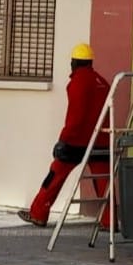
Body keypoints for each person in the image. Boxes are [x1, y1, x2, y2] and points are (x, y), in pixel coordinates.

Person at [19, 43, 111, 227]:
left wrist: (64, 140)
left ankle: (38, 213)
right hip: (101, 141)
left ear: (75, 62)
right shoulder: (102, 82)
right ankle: (110, 222)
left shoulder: (78, 82)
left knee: (55, 176)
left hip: (77, 142)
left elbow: (76, 116)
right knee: (104, 182)